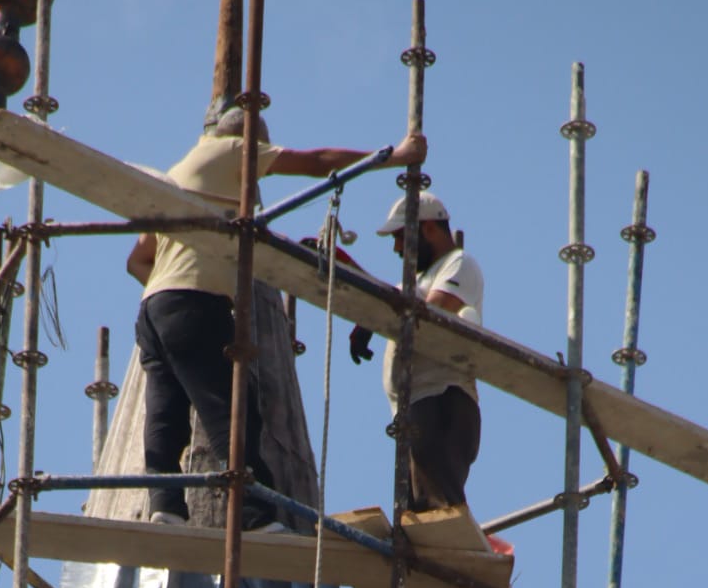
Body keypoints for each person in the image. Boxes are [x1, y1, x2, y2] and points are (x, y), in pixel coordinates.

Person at [128, 112, 426, 529]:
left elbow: (138, 260)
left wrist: (176, 287)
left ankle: (166, 508)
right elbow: (318, 161)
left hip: (153, 309)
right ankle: (253, 516)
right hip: (194, 303)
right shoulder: (233, 150)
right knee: (232, 409)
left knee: (166, 416)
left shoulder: (177, 175)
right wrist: (395, 155)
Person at [349, 192, 484, 512]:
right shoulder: (422, 279)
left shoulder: (459, 264)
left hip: (442, 401)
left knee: (436, 510)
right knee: (417, 514)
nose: (397, 249)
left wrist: (378, 311)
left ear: (428, 230)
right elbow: (402, 301)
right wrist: (370, 317)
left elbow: (429, 314)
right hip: (421, 405)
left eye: (400, 238)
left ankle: (455, 555)